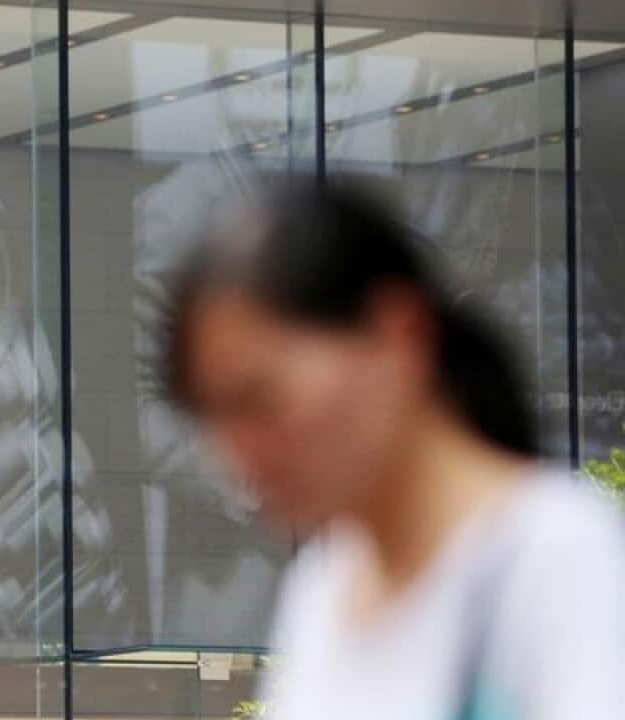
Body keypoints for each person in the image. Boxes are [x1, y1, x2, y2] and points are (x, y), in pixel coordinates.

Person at [165, 176, 625, 719]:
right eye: (214, 419)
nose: (237, 454)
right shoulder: (326, 584)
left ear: (396, 334)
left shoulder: (556, 555)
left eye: (261, 400)